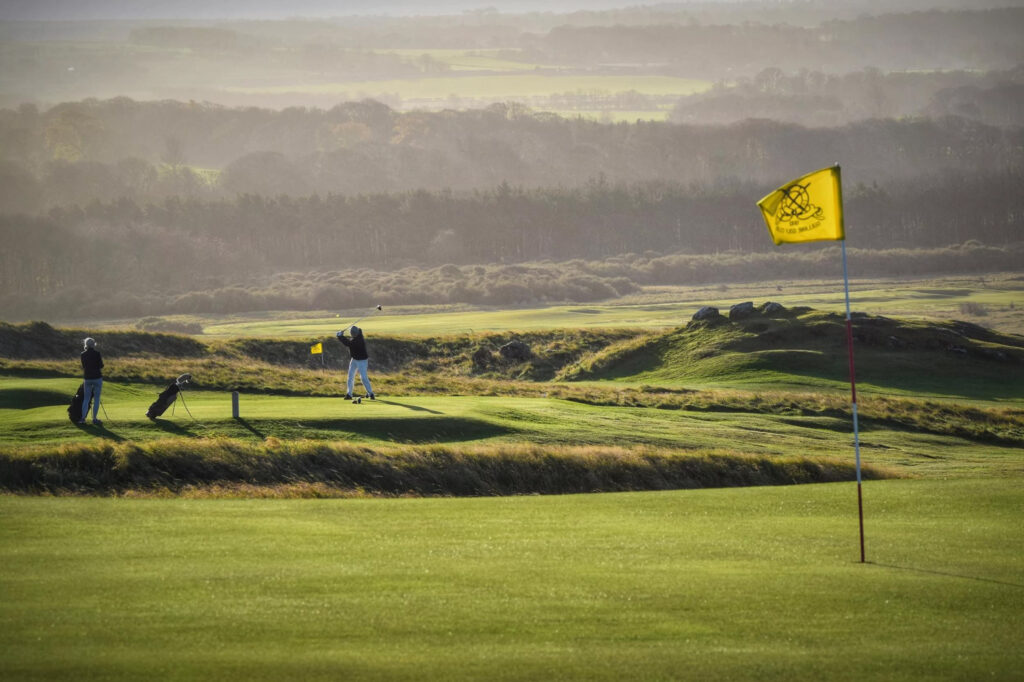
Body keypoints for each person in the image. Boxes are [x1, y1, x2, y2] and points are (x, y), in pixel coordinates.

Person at [336, 325, 375, 400]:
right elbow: (359, 329)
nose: (352, 335)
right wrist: (342, 334)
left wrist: (340, 336)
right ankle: (349, 394)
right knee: (350, 376)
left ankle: (371, 393)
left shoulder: (357, 341)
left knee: (363, 378)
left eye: (353, 334)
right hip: (354, 360)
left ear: (355, 334)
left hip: (362, 361)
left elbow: (347, 343)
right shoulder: (359, 333)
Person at [80, 337, 104, 425]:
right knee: (96, 399)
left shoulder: (83, 354)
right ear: (94, 344)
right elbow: (101, 365)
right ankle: (94, 418)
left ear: (86, 344)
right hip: (97, 377)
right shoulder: (97, 353)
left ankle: (83, 419)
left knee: (86, 399)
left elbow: (84, 366)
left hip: (87, 378)